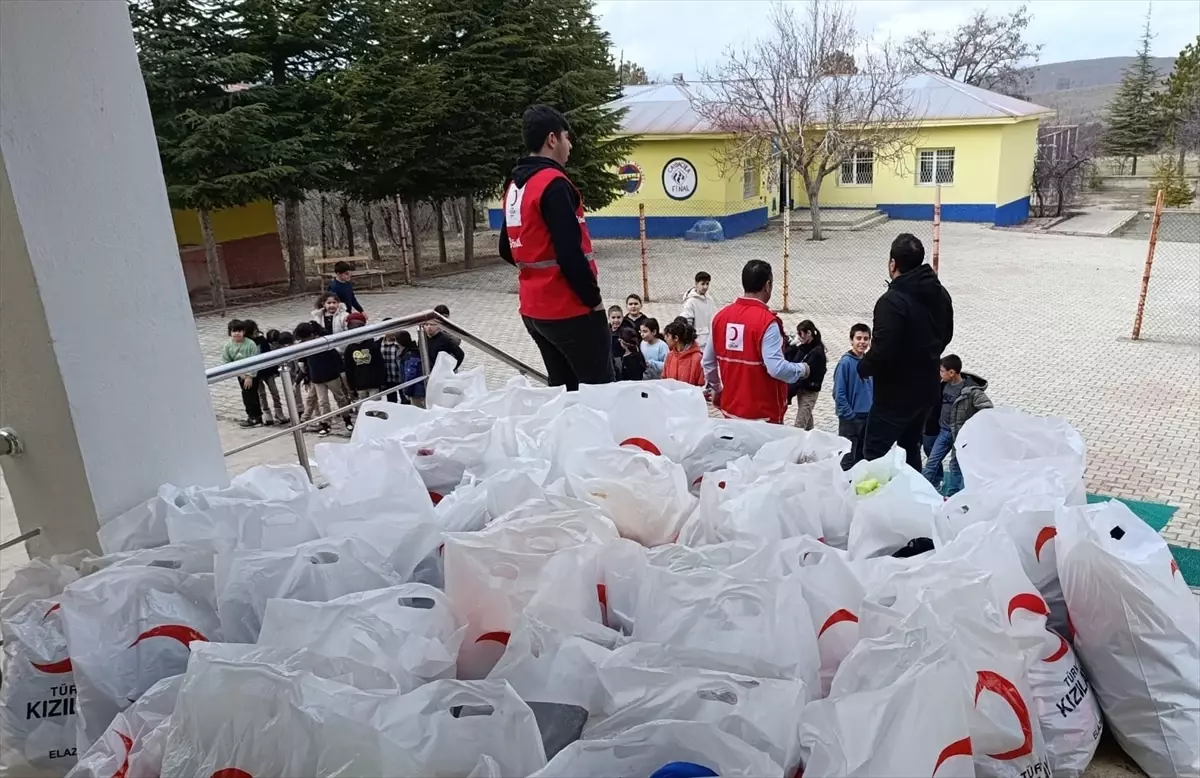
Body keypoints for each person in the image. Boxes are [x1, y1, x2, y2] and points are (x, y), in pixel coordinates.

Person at [498, 104, 613, 390]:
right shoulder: (554, 184)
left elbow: (505, 248)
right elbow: (571, 255)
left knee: (563, 390)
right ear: (552, 139)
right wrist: (593, 301)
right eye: (567, 137)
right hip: (569, 311)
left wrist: (537, 272)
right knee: (599, 393)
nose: (570, 144)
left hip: (534, 312)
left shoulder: (516, 186)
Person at [858, 233, 954, 470]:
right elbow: (946, 335)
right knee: (910, 448)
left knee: (873, 455)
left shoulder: (891, 302)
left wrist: (863, 366)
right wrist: (925, 356)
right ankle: (912, 501)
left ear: (893, 264)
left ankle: (872, 504)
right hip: (926, 391)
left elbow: (883, 351)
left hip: (894, 397)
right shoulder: (939, 293)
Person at [702, 260, 808, 423]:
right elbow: (776, 368)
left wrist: (717, 389)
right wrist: (802, 369)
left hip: (730, 411)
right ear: (768, 285)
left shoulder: (720, 317)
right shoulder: (767, 322)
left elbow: (708, 362)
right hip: (763, 417)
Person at [922, 354, 992, 496]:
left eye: (942, 371)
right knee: (932, 462)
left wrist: (973, 427)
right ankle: (922, 490)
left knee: (955, 467)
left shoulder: (971, 391)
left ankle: (952, 496)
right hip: (944, 432)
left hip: (960, 435)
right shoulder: (943, 384)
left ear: (952, 372)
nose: (939, 374)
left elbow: (988, 408)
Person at [293, 320, 353, 436]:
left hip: (331, 376)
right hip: (316, 378)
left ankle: (347, 419)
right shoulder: (306, 345)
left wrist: (342, 373)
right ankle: (326, 424)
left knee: (340, 398)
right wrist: (301, 373)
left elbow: (336, 359)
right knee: (323, 402)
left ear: (311, 335)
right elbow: (303, 359)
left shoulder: (324, 342)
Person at [833, 323, 875, 469]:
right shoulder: (845, 363)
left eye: (866, 338)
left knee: (862, 458)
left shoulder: (870, 362)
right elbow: (839, 393)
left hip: (868, 416)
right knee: (847, 458)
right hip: (851, 418)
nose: (862, 342)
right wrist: (849, 415)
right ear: (852, 340)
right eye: (859, 338)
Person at [786, 319, 827, 431]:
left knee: (800, 424)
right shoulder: (804, 347)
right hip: (802, 388)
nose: (799, 336)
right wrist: (792, 345)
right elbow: (790, 361)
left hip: (810, 390)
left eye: (801, 333)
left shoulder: (817, 353)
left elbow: (803, 374)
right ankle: (812, 438)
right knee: (807, 419)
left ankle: (798, 444)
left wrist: (788, 394)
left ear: (809, 333)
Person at [222, 319, 262, 428]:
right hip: (240, 374)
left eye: (239, 331)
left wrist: (249, 376)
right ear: (230, 333)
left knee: (250, 395)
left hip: (252, 375)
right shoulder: (228, 346)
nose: (237, 333)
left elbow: (255, 361)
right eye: (234, 331)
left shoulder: (250, 344)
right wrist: (239, 374)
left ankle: (256, 417)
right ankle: (252, 416)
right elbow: (226, 361)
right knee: (246, 395)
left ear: (243, 332)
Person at [245, 322, 285, 426]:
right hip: (255, 373)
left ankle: (278, 412)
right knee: (261, 394)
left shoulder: (262, 340)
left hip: (267, 371)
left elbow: (269, 356)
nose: (255, 333)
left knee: (274, 391)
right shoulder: (246, 343)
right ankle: (267, 413)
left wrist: (275, 370)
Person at [342, 312, 385, 403]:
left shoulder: (372, 345)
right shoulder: (350, 348)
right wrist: (352, 387)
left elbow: (379, 363)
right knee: (364, 408)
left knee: (375, 406)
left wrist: (381, 381)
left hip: (374, 383)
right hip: (360, 385)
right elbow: (349, 369)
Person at [662, 319, 705, 386]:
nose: (665, 338)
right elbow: (664, 378)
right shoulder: (670, 356)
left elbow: (701, 384)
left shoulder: (697, 358)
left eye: (667, 336)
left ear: (676, 338)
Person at [680, 271, 717, 346]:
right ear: (696, 284)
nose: (705, 287)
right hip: (698, 343)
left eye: (707, 284)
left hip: (710, 340)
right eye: (702, 284)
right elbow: (687, 323)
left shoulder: (709, 299)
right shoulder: (690, 302)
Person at [396, 331, 426, 408]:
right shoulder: (414, 351)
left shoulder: (409, 355)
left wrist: (406, 390)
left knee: (418, 411)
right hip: (418, 388)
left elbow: (410, 374)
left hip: (416, 390)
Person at [380, 330, 404, 403]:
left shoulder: (401, 342)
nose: (393, 332)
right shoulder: (379, 343)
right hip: (387, 377)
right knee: (391, 401)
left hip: (400, 376)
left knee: (405, 400)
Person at [608, 305, 626, 377]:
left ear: (622, 317)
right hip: (608, 358)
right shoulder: (606, 330)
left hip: (619, 358)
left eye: (618, 317)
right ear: (609, 318)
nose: (616, 320)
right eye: (613, 317)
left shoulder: (625, 332)